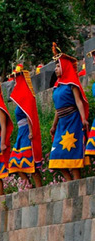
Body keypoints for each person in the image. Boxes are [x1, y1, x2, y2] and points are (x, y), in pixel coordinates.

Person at [49, 44, 89, 181]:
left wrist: (83, 119)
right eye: (55, 67)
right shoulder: (57, 87)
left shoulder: (72, 84)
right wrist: (54, 125)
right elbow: (57, 109)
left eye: (58, 66)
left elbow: (79, 102)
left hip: (73, 121)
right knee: (56, 157)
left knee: (73, 157)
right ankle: (70, 182)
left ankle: (76, 183)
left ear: (65, 67)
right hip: (61, 124)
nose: (56, 69)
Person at [9, 68, 43, 188]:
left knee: (30, 163)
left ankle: (39, 188)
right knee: (14, 162)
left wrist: (30, 130)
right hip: (21, 132)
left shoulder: (27, 95)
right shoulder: (20, 98)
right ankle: (29, 186)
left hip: (27, 132)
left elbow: (29, 114)